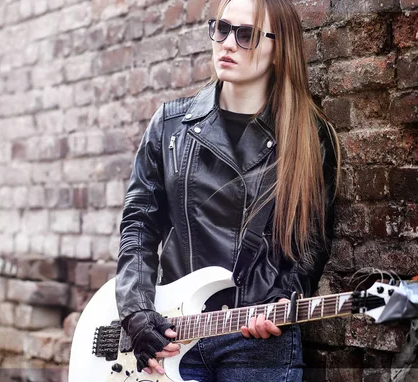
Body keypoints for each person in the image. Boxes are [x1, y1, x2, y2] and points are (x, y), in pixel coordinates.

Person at [115, 0, 341, 380]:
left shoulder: (309, 137)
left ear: (279, 48)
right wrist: (137, 312)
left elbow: (310, 245)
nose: (228, 43)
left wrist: (280, 304)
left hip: (257, 342)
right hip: (171, 334)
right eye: (221, 28)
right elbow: (138, 226)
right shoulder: (170, 126)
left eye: (246, 34)